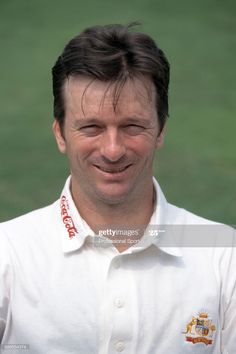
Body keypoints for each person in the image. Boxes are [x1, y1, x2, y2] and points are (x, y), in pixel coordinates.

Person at [0, 23, 235, 354]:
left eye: (132, 126)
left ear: (160, 130)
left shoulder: (223, 254)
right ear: (59, 133)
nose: (112, 150)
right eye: (92, 127)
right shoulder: (7, 253)